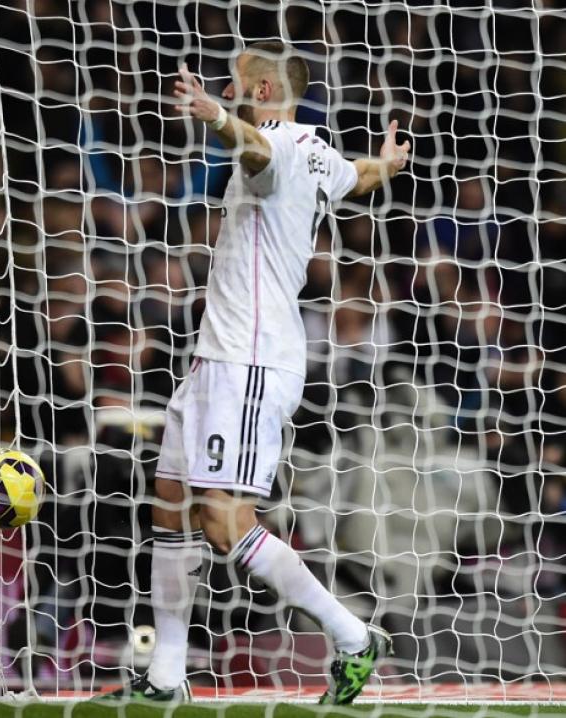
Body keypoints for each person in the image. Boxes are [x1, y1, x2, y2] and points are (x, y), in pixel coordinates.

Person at [105, 41, 411, 706]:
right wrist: (385, 166)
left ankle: (353, 636)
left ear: (264, 93)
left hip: (250, 364)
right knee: (171, 508)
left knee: (222, 519)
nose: (231, 88)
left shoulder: (273, 145)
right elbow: (353, 177)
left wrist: (214, 115)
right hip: (216, 360)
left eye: (238, 83)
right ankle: (165, 677)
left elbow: (254, 152)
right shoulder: (319, 150)